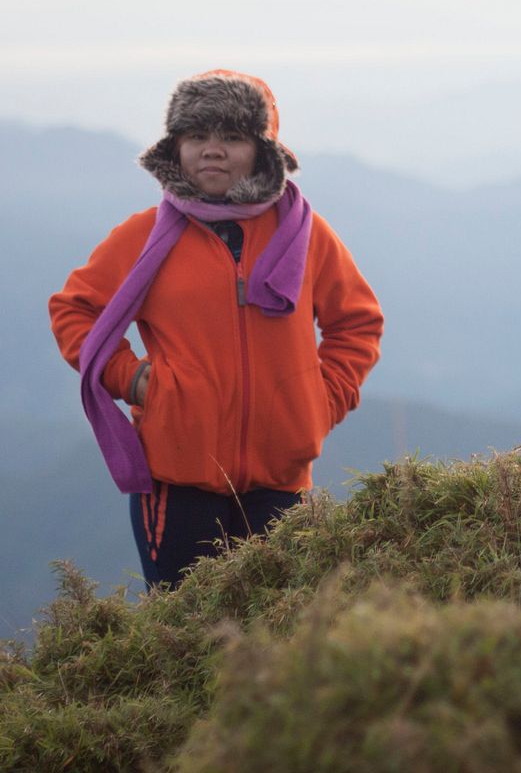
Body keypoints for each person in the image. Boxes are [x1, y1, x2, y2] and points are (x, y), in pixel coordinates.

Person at [49, 69, 383, 588]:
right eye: (197, 136)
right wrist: (133, 380)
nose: (212, 150)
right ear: (175, 147)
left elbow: (356, 322)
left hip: (281, 480)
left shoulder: (304, 234)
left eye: (231, 137)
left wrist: (322, 399)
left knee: (277, 633)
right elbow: (75, 310)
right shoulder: (145, 236)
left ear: (263, 149)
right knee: (186, 643)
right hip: (178, 479)